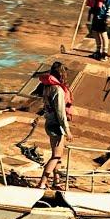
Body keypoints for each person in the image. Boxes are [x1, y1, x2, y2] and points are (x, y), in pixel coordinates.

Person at [36, 61, 74, 189]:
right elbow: (60, 112)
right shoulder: (58, 90)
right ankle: (42, 182)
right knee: (56, 156)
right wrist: (67, 130)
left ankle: (56, 181)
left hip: (49, 123)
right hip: (57, 125)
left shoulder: (47, 87)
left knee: (58, 154)